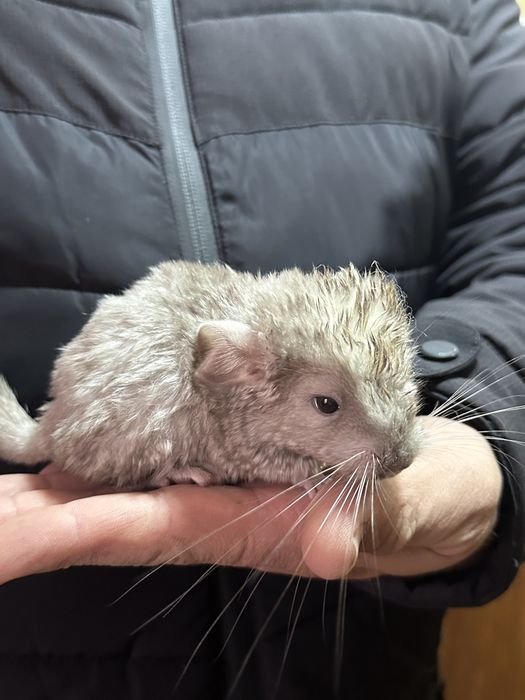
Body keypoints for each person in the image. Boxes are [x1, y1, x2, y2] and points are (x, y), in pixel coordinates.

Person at [0, 0, 524, 698]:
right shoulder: (242, 373)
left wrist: (489, 424)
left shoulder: (467, 16)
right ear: (245, 369)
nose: (396, 451)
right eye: (327, 405)